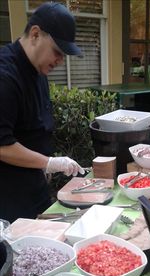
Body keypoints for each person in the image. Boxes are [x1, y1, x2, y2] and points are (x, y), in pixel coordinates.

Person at [0, 2, 85, 223]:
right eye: (58, 51)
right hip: (9, 199)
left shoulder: (39, 71)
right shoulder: (5, 76)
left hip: (35, 187)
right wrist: (48, 162)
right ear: (35, 34)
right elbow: (2, 145)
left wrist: (46, 165)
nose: (60, 60)